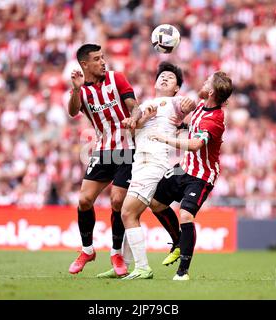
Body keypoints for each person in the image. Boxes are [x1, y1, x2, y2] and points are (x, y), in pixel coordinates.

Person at [97, 62, 197, 279]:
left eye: (170, 78)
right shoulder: (145, 105)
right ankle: (123, 266)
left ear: (177, 88)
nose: (164, 78)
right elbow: (133, 134)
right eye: (161, 76)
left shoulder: (173, 102)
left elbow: (189, 105)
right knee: (135, 212)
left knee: (127, 212)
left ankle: (142, 267)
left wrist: (191, 103)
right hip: (139, 163)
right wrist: (140, 119)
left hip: (153, 162)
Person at [148, 71, 233, 280]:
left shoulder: (215, 119)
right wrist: (181, 126)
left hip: (202, 175)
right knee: (155, 203)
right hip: (184, 167)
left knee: (185, 215)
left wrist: (164, 138)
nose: (202, 83)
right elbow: (194, 127)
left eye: (207, 82)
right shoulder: (201, 106)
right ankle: (177, 240)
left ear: (211, 91)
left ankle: (183, 271)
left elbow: (195, 145)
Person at [67, 43, 142, 276]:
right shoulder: (82, 90)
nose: (102, 62)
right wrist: (77, 90)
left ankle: (116, 253)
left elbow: (135, 107)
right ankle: (87, 250)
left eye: (103, 57)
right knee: (84, 200)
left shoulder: (116, 79)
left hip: (127, 149)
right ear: (84, 64)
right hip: (102, 150)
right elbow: (72, 111)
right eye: (97, 59)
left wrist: (133, 118)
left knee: (117, 202)